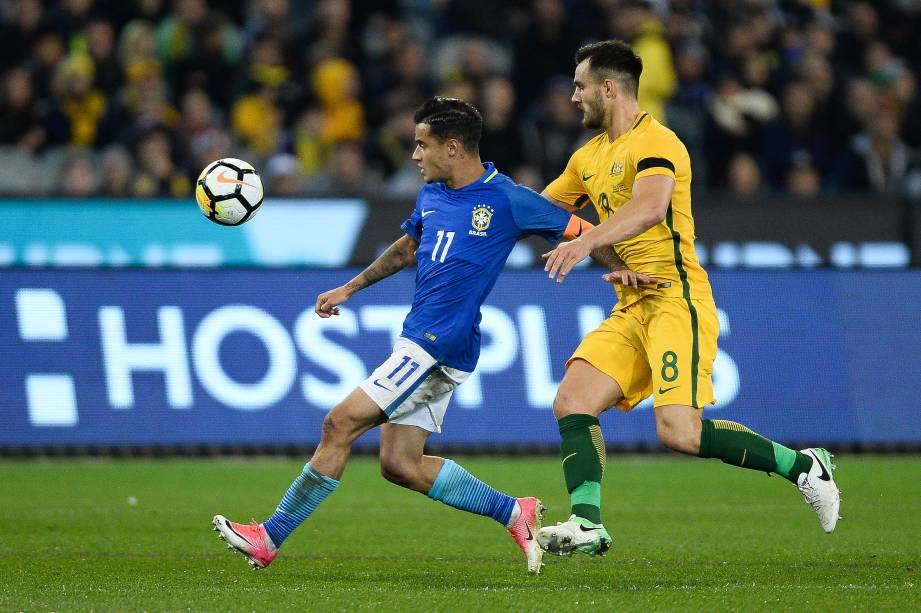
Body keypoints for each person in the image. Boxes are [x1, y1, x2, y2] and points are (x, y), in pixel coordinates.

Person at [212, 97, 622, 574]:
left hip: (437, 343)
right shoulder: (432, 194)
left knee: (339, 423)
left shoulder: (509, 199)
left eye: (421, 145)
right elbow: (408, 248)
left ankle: (270, 537)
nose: (414, 156)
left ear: (452, 147)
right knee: (400, 464)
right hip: (424, 340)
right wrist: (350, 287)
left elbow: (584, 230)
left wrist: (625, 273)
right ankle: (515, 512)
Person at [535, 40, 841, 557]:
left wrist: (588, 240)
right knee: (572, 400)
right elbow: (540, 212)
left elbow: (652, 206)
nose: (573, 97)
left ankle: (804, 465)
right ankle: (587, 522)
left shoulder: (659, 142)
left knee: (680, 432)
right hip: (632, 304)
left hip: (677, 300)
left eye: (580, 86)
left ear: (609, 88)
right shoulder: (586, 157)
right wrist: (483, 207)